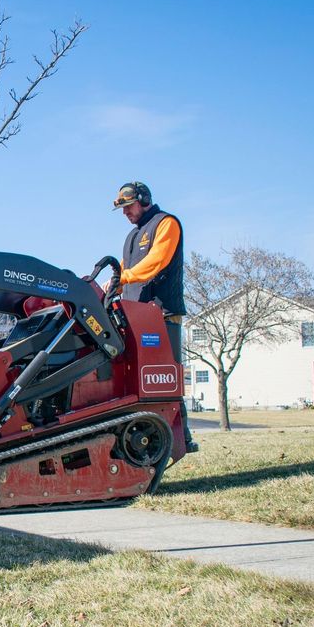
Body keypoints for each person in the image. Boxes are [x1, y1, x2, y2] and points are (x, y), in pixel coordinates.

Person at [107, 181, 193, 445]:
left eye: (128, 206)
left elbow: (157, 261)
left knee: (163, 380)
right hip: (135, 318)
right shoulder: (132, 237)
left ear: (143, 199)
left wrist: (123, 278)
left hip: (162, 316)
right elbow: (121, 273)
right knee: (137, 383)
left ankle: (180, 437)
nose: (125, 213)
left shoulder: (166, 223)